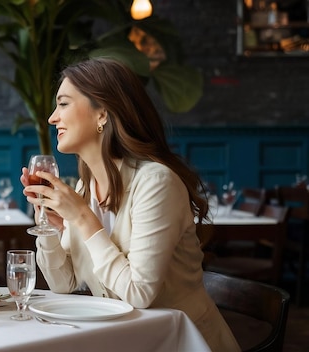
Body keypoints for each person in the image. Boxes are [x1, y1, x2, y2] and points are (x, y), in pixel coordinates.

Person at [20, 58, 239, 351]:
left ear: (102, 115)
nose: (52, 118)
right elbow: (64, 284)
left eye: (63, 104)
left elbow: (139, 294)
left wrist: (84, 219)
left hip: (178, 343)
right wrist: (50, 228)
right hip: (125, 341)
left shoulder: (156, 183)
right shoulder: (86, 188)